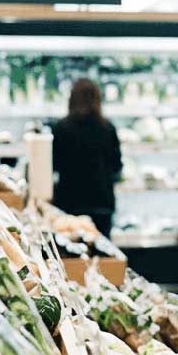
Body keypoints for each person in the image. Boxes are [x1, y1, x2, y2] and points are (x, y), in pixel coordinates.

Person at [52, 78, 122, 238]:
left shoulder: (62, 128)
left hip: (70, 203)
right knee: (103, 256)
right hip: (102, 203)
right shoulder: (108, 128)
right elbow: (117, 166)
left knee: (72, 255)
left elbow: (54, 165)